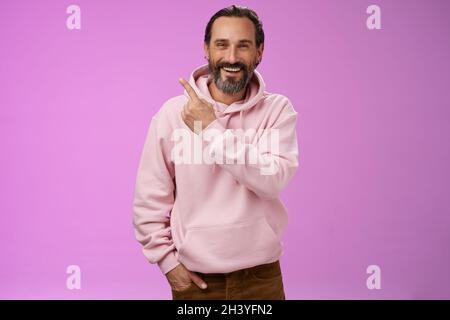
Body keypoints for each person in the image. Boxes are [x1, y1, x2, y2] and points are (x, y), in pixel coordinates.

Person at [133, 5, 299, 300]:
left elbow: (272, 180)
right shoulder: (173, 114)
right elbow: (149, 198)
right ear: (206, 50)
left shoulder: (277, 111)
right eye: (222, 44)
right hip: (197, 281)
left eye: (243, 46)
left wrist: (209, 127)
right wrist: (168, 263)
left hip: (261, 278)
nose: (232, 57)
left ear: (259, 52)